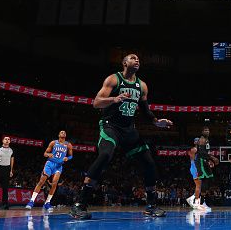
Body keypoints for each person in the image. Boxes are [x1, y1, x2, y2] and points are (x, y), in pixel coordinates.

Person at [69, 53, 173, 220]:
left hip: (129, 130)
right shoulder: (113, 80)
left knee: (149, 162)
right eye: (133, 58)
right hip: (110, 126)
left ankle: (151, 206)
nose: (137, 59)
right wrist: (114, 99)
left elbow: (145, 111)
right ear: (125, 63)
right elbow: (96, 102)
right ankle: (79, 204)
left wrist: (156, 121)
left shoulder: (142, 86)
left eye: (139, 58)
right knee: (105, 155)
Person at [25, 130, 73, 212]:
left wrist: (67, 158)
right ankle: (31, 201)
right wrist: (48, 154)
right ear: (58, 135)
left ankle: (47, 202)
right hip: (50, 164)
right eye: (61, 132)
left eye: (64, 132)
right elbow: (45, 153)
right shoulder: (53, 143)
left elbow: (71, 156)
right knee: (41, 181)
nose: (63, 133)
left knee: (54, 184)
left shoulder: (68, 145)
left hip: (59, 166)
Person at [193, 126, 217, 211]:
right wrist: (212, 158)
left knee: (210, 179)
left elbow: (205, 152)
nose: (207, 131)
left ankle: (200, 201)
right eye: (205, 130)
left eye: (208, 130)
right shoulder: (202, 139)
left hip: (205, 161)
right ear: (202, 131)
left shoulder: (207, 140)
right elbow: (202, 152)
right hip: (201, 161)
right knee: (204, 180)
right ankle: (201, 203)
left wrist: (209, 160)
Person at [186, 138, 202, 209]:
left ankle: (193, 200)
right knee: (198, 185)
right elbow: (193, 160)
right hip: (195, 168)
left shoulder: (197, 150)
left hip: (196, 168)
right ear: (196, 142)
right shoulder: (194, 149)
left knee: (199, 185)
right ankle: (196, 203)